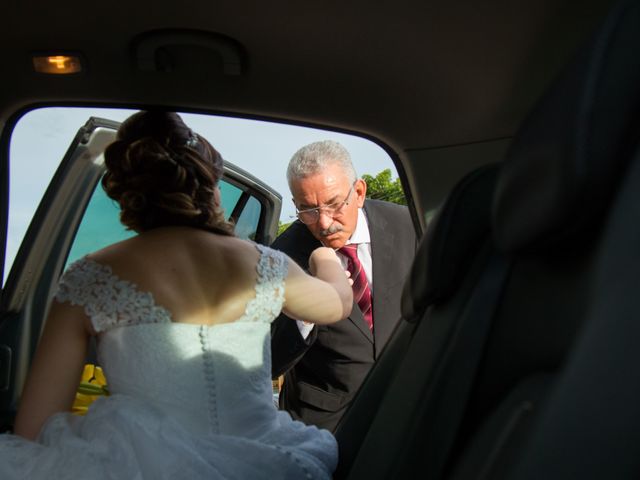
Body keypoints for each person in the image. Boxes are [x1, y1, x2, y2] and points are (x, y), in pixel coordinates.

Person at [0, 111, 353, 480]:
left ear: (128, 195)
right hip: (268, 461)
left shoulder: (90, 276)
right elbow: (338, 303)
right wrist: (323, 256)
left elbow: (34, 428)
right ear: (210, 186)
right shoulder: (263, 263)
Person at [271, 140, 417, 432]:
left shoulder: (406, 224)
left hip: (407, 405)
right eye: (307, 210)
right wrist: (306, 309)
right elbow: (270, 359)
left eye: (334, 204)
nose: (323, 223)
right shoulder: (283, 256)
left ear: (359, 192)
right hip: (323, 423)